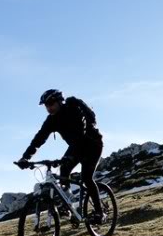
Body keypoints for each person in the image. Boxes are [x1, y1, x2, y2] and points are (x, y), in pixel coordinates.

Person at [16, 89, 107, 224]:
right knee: (64, 171)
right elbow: (39, 138)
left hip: (92, 144)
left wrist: (71, 156)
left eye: (51, 103)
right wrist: (25, 158)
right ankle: (68, 205)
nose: (49, 107)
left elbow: (80, 133)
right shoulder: (51, 120)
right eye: (46, 105)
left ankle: (100, 213)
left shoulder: (74, 109)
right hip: (75, 147)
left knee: (87, 178)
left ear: (59, 101)